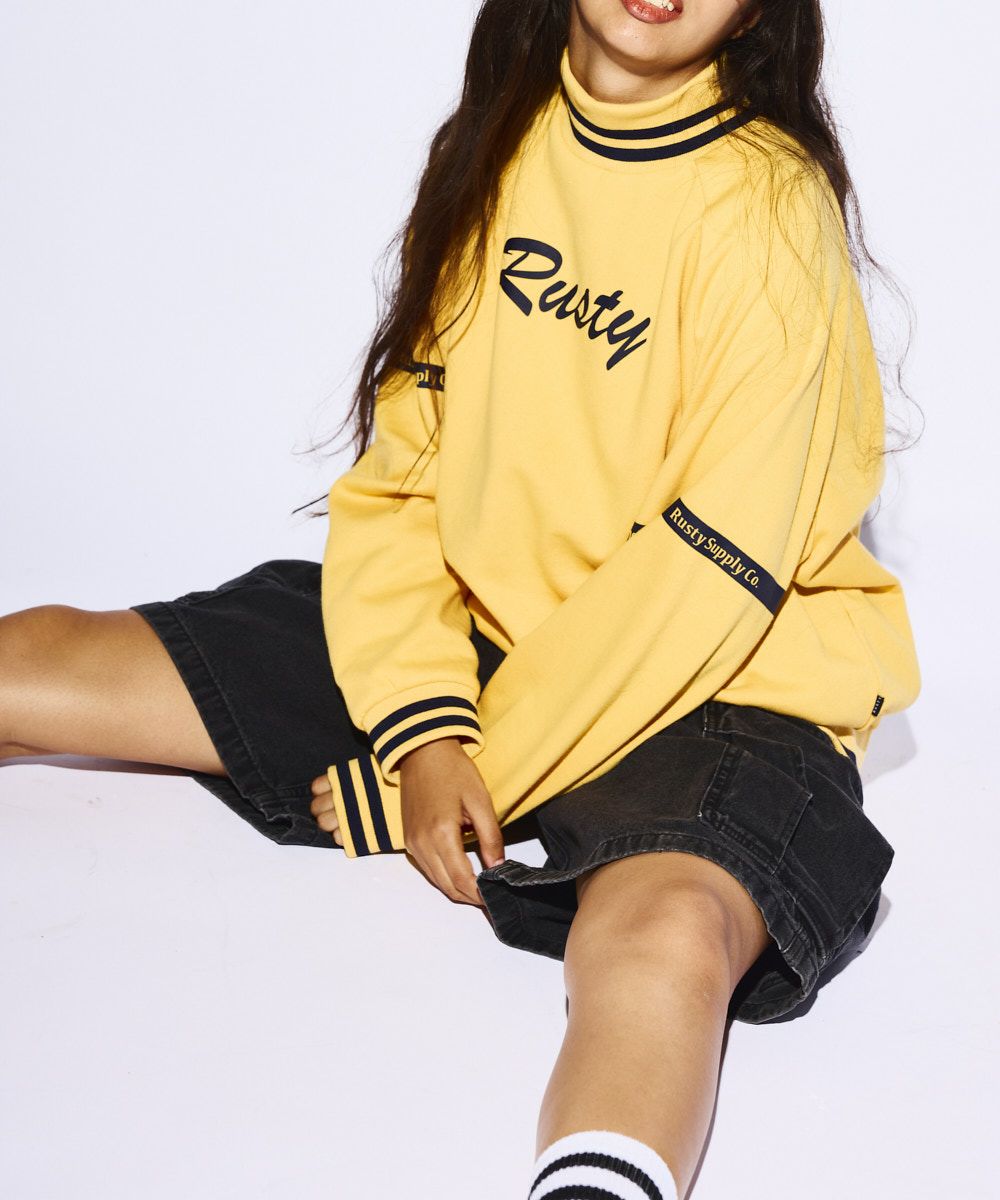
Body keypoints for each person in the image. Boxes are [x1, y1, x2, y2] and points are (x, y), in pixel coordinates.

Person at [0, 2, 921, 1197]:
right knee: (43, 665)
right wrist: (426, 728)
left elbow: (709, 570)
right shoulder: (499, 146)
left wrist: (464, 770)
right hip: (491, 639)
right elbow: (402, 485)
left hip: (722, 684)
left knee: (662, 938)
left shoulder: (766, 205)